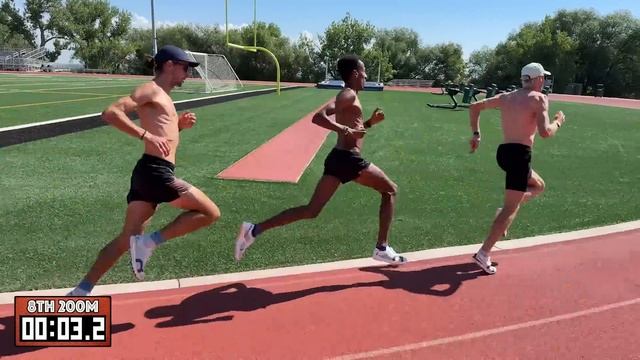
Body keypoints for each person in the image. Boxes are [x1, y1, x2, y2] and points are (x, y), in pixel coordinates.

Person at [67, 45, 221, 296]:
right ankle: (149, 243)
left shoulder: (163, 96)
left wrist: (178, 127)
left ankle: (80, 292)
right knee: (210, 212)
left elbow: (163, 138)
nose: (188, 74)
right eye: (185, 68)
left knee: (126, 239)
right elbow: (111, 112)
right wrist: (144, 133)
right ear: (169, 65)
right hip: (156, 172)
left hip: (147, 172)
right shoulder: (150, 89)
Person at [234, 55, 407, 265]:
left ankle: (254, 229)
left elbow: (354, 132)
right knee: (390, 190)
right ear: (354, 74)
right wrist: (343, 128)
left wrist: (370, 122)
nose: (366, 76)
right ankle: (381, 248)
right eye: (363, 72)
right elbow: (319, 117)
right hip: (348, 159)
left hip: (338, 159)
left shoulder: (351, 97)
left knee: (311, 210)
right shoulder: (348, 95)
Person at [468, 62, 566, 274]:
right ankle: (484, 253)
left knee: (538, 186)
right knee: (510, 209)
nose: (545, 82)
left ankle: (502, 212)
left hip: (504, 153)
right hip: (520, 156)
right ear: (538, 79)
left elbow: (474, 107)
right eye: (544, 78)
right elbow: (545, 132)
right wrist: (558, 121)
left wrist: (476, 134)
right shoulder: (539, 99)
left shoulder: (506, 97)